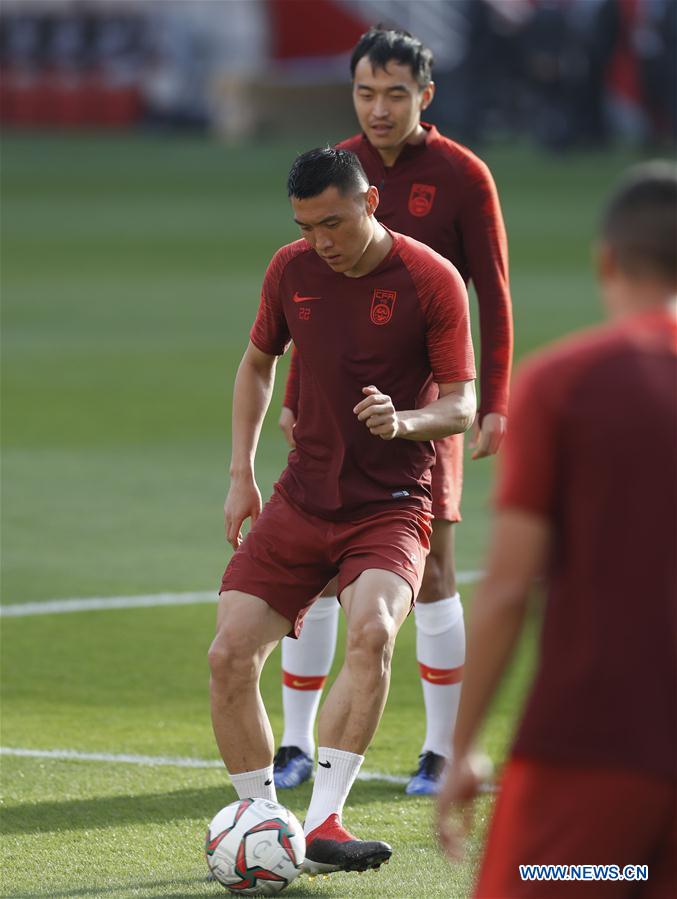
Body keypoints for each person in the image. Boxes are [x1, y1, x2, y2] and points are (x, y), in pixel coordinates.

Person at [211, 147, 476, 875]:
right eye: (305, 226)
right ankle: (263, 818)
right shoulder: (290, 268)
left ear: (368, 204)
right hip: (301, 496)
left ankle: (324, 818)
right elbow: (257, 361)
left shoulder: (429, 280)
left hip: (389, 507)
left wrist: (406, 422)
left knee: (371, 635)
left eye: (332, 222)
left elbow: (461, 401)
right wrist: (242, 474)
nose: (320, 240)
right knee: (228, 654)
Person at [274, 26, 513, 795]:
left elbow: (492, 294)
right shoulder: (334, 170)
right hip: (329, 408)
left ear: (425, 96)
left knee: (435, 571)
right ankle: (295, 743)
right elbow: (299, 302)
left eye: (395, 94)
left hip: (428, 406)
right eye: (365, 93)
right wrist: (291, 397)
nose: (379, 109)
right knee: (310, 569)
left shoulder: (462, 175)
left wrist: (493, 401)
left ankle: (440, 749)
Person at [436, 160, 677, 897]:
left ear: (604, 258)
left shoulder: (568, 383)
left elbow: (509, 588)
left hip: (591, 753)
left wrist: (463, 745)